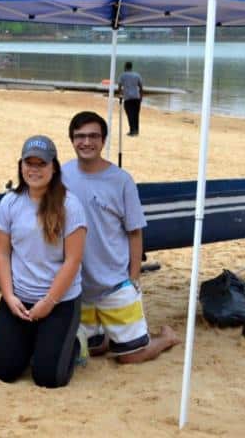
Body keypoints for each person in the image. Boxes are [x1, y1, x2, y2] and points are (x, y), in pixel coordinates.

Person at [62, 111, 179, 363]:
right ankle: (105, 333)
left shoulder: (121, 180)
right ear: (71, 140)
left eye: (93, 136)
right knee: (91, 350)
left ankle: (166, 338)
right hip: (79, 285)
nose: (86, 142)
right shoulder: (62, 175)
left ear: (103, 140)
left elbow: (134, 232)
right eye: (80, 136)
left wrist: (133, 277)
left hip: (115, 283)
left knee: (129, 357)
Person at [0, 136, 86, 387]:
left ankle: (74, 344)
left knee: (48, 379)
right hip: (19, 298)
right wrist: (9, 296)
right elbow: (2, 253)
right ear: (20, 166)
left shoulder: (70, 206)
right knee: (2, 371)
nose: (34, 169)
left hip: (59, 300)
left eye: (41, 164)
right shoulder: (10, 202)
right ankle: (35, 341)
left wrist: (49, 301)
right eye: (28, 163)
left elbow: (73, 260)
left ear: (53, 167)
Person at [118, 61, 143, 136]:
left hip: (128, 98)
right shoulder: (137, 75)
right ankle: (136, 130)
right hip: (136, 97)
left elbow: (119, 87)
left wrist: (120, 96)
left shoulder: (122, 75)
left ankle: (132, 131)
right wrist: (141, 96)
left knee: (130, 114)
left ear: (125, 67)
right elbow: (141, 86)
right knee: (136, 114)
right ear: (131, 67)